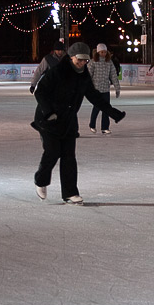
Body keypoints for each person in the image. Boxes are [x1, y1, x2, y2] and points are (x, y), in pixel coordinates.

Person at [31, 42, 126, 204]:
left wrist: (112, 113)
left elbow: (94, 96)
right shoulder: (57, 72)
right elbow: (40, 92)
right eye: (79, 60)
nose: (82, 63)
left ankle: (70, 193)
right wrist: (49, 112)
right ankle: (41, 180)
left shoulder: (83, 76)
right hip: (49, 119)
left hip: (68, 120)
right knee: (53, 152)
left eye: (85, 60)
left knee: (69, 157)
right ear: (71, 57)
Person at [86, 44, 121, 134]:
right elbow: (88, 75)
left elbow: (113, 75)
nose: (103, 54)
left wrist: (117, 88)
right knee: (96, 108)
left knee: (106, 109)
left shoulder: (109, 62)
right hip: (96, 89)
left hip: (105, 89)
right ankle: (92, 124)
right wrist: (88, 87)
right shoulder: (93, 62)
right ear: (98, 52)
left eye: (105, 52)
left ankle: (105, 127)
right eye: (102, 52)